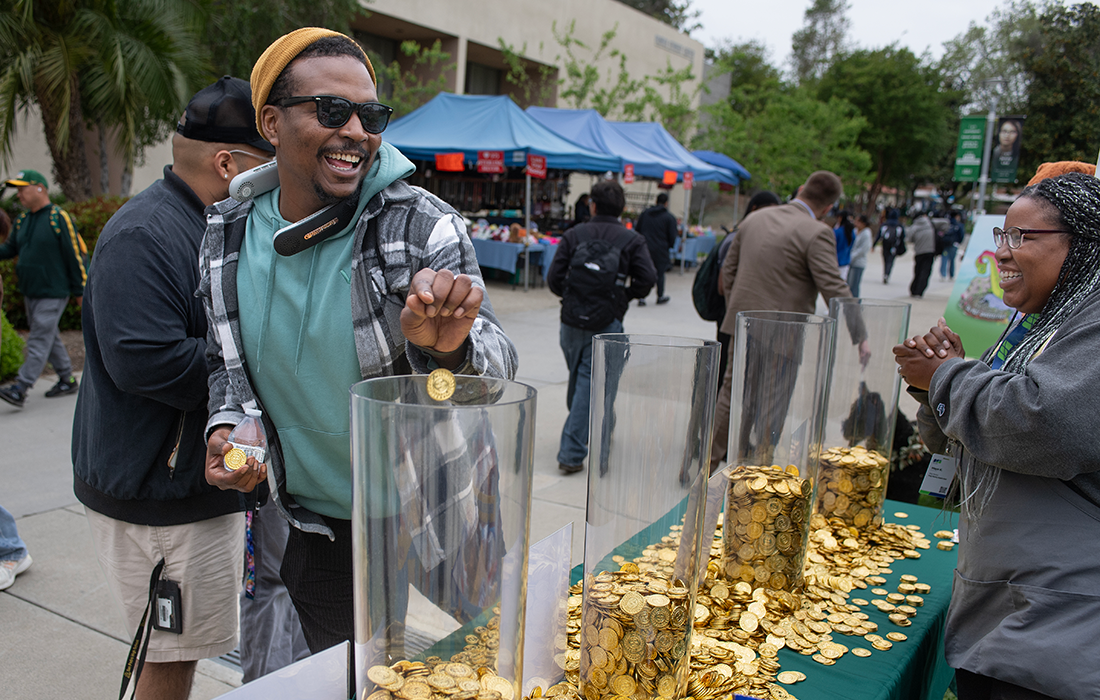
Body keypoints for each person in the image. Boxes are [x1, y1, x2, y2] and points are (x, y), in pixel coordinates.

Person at [199, 28, 517, 655]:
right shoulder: (227, 233)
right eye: (330, 111)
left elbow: (495, 374)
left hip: (439, 502)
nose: (356, 132)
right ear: (271, 121)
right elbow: (224, 363)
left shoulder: (418, 224)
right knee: (359, 680)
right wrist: (225, 425)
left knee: (496, 662)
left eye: (370, 115)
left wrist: (450, 351)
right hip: (319, 523)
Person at [70, 77, 279, 700]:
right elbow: (145, 360)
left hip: (185, 484)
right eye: (268, 164)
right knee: (169, 657)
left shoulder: (208, 224)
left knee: (176, 650)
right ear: (228, 163)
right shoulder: (147, 234)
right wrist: (259, 374)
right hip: (157, 496)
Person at [894, 171, 1100, 700]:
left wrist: (945, 377)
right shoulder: (1043, 325)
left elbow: (1041, 424)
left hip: (1056, 636)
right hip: (1014, 618)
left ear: (1082, 245)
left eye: (1020, 238)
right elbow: (961, 440)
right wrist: (938, 382)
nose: (1001, 255)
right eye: (999, 237)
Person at [710, 171, 868, 469]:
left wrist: (739, 311)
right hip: (783, 334)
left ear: (800, 189)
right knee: (772, 404)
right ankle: (756, 471)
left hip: (742, 326)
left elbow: (728, 272)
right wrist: (860, 334)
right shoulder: (816, 232)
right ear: (829, 207)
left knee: (731, 395)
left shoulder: (755, 219)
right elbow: (834, 287)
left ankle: (705, 464)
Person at [547, 179, 655, 474]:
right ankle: (570, 452)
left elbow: (554, 278)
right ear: (622, 209)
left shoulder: (574, 234)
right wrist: (623, 298)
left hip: (570, 323)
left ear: (592, 205)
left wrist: (572, 298)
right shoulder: (631, 240)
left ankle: (582, 431)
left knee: (582, 378)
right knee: (588, 383)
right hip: (607, 323)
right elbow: (647, 279)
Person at [0, 170, 86, 408]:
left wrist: (81, 291)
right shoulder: (23, 220)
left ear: (40, 188)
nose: (19, 196)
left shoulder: (58, 218)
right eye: (17, 191)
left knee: (38, 338)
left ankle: (21, 387)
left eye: (22, 189)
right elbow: (8, 250)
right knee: (49, 336)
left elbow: (76, 256)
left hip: (53, 292)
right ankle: (67, 379)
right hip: (31, 292)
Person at [711, 191, 780, 391]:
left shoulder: (751, 235)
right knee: (728, 379)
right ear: (754, 209)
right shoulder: (736, 238)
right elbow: (723, 285)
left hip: (739, 314)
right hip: (731, 315)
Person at [635, 192, 679, 305]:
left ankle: (641, 297)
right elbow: (672, 235)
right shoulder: (669, 217)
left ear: (656, 201)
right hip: (661, 248)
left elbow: (637, 230)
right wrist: (669, 246)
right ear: (666, 203)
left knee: (643, 271)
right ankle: (660, 296)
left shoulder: (645, 214)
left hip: (645, 247)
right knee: (660, 273)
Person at [908, 212, 936, 297]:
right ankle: (919, 291)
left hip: (919, 252)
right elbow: (946, 223)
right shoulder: (930, 223)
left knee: (918, 271)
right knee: (926, 272)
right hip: (930, 251)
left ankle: (914, 289)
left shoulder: (914, 227)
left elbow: (909, 238)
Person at [875, 209, 905, 284]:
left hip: (885, 245)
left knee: (885, 260)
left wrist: (874, 244)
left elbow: (879, 235)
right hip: (894, 246)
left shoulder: (885, 224)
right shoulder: (899, 225)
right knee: (890, 261)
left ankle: (885, 273)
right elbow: (902, 237)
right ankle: (887, 274)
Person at [847, 214, 873, 297]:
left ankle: (855, 304)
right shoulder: (854, 231)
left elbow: (863, 249)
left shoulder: (866, 233)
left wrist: (851, 256)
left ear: (863, 223)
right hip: (851, 261)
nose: (856, 223)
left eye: (858, 221)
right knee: (849, 284)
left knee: (854, 285)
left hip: (858, 262)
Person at [940, 211, 964, 281]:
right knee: (952, 261)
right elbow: (961, 235)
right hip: (954, 245)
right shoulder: (959, 225)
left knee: (944, 259)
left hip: (945, 244)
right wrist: (958, 242)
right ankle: (951, 275)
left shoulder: (947, 224)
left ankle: (943, 275)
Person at [833, 209, 855, 278]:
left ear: (840, 217)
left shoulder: (837, 232)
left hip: (835, 261)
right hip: (845, 261)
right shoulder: (851, 232)